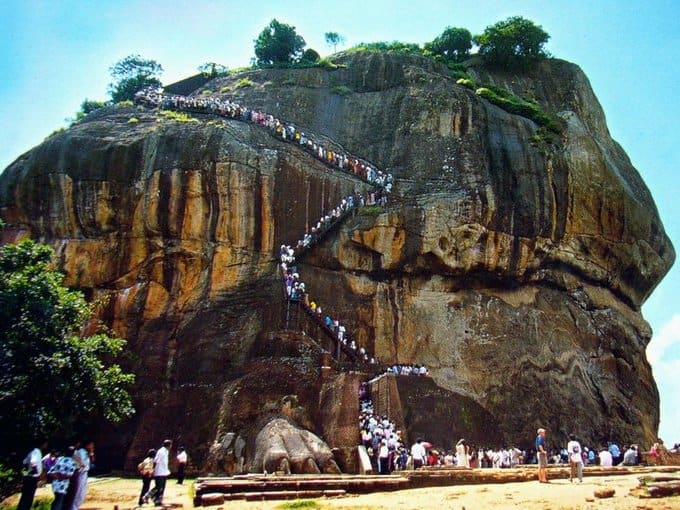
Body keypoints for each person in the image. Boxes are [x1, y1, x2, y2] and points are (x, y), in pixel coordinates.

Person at [17, 440, 48, 510]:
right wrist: (36, 473)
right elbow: (33, 462)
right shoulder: (37, 451)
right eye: (45, 443)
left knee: (24, 498)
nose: (46, 445)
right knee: (28, 499)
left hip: (28, 477)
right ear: (42, 444)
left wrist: (28, 470)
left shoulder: (32, 451)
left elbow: (24, 462)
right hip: (32, 478)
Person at [71, 440, 92, 509]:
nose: (92, 447)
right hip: (80, 473)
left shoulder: (86, 452)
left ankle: (76, 506)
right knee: (78, 491)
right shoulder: (81, 452)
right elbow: (83, 463)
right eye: (91, 445)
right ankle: (74, 507)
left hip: (84, 473)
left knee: (82, 492)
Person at [152, 440, 172, 506]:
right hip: (159, 472)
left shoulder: (166, 451)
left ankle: (159, 500)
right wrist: (153, 470)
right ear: (168, 445)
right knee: (159, 487)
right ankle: (153, 498)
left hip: (164, 472)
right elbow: (155, 461)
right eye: (170, 445)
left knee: (162, 488)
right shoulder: (161, 451)